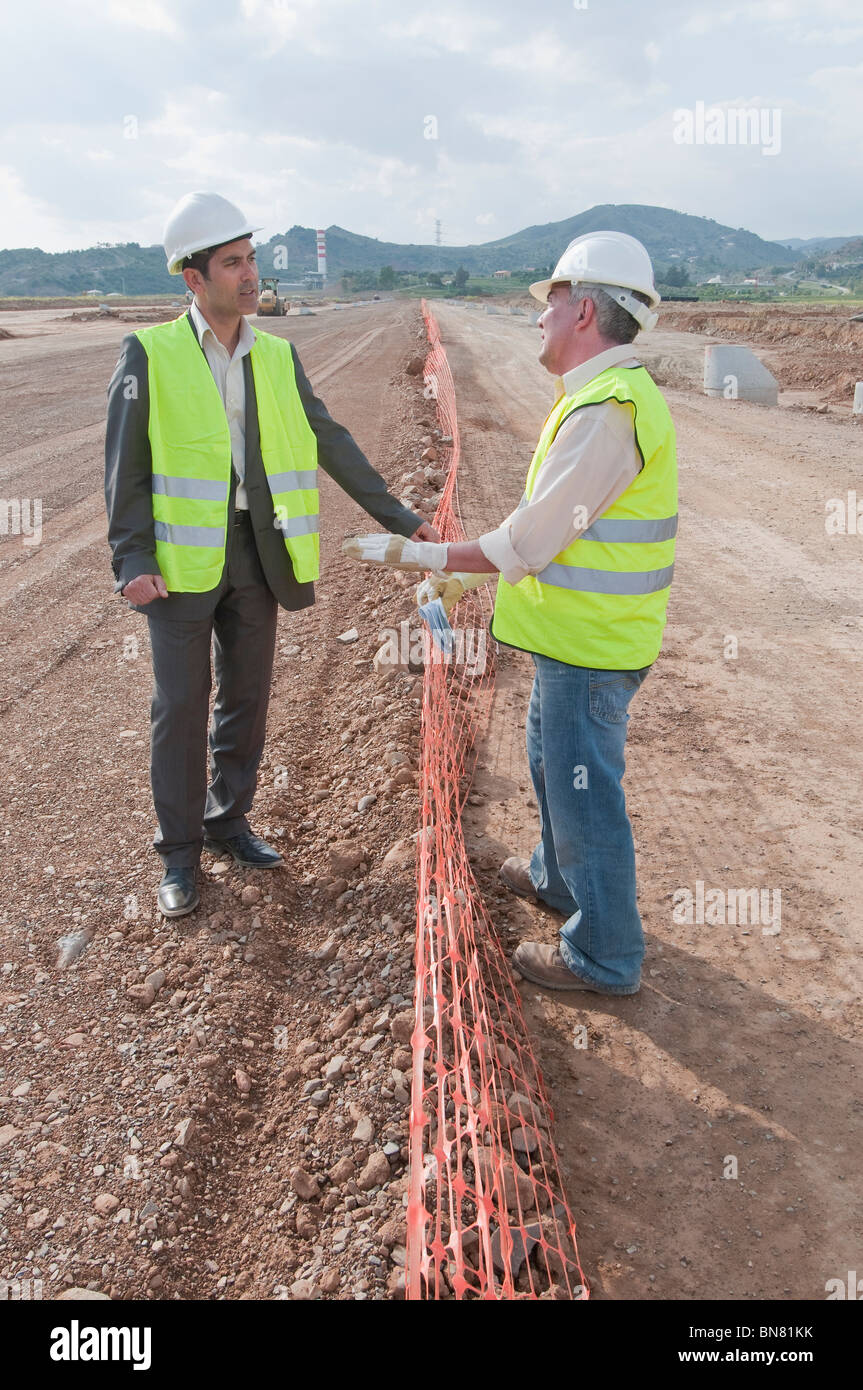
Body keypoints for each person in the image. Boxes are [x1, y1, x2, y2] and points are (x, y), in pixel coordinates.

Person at [342, 231, 676, 996]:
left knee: (585, 798)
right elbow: (548, 526)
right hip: (566, 641)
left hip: (590, 650)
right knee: (551, 772)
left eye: (549, 303)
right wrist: (464, 581)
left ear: (584, 309)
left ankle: (603, 955)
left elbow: (524, 541)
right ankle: (554, 878)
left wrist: (426, 559)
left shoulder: (605, 413)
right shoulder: (592, 399)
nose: (537, 320)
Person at [105, 191, 439, 919]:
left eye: (251, 259)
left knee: (247, 701)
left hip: (261, 553)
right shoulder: (150, 353)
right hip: (180, 564)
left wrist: (399, 516)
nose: (250, 275)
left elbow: (330, 440)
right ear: (192, 279)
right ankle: (179, 855)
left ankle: (229, 823)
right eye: (233, 263)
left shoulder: (279, 355)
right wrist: (131, 558)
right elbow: (124, 464)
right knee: (180, 707)